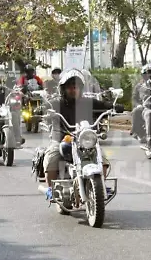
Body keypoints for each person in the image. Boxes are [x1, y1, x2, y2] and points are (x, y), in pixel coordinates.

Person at [42, 69, 125, 201]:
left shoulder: (88, 102)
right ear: (64, 89)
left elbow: (104, 105)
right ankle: (51, 189)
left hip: (84, 139)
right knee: (52, 157)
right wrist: (43, 109)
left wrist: (114, 107)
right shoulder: (57, 103)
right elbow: (46, 107)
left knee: (101, 159)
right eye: (70, 87)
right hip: (63, 138)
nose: (73, 90)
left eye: (76, 87)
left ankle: (101, 185)